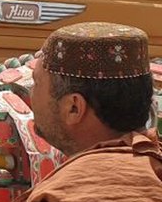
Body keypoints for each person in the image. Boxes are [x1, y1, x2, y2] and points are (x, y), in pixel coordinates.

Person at [19, 21, 162, 201]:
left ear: (74, 107)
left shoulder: (65, 194)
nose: (30, 93)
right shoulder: (153, 168)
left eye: (36, 83)